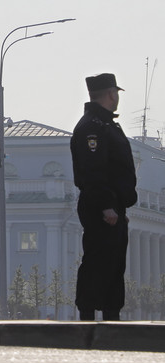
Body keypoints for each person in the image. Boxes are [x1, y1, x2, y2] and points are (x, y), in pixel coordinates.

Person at [70, 73, 138, 321]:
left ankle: (111, 314)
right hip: (100, 206)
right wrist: (107, 206)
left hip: (112, 207)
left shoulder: (106, 124)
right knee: (98, 260)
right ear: (111, 93)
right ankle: (88, 315)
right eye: (116, 93)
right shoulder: (92, 127)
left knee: (114, 263)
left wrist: (119, 207)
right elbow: (93, 171)